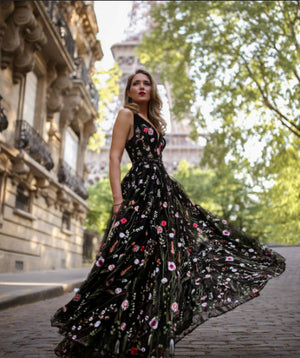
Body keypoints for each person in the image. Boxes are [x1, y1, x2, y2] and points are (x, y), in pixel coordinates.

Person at [51, 69, 286, 358]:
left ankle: (149, 339)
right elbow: (114, 156)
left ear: (152, 89)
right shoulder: (127, 115)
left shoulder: (154, 120)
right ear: (128, 90)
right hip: (139, 194)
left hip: (162, 194)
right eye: (135, 83)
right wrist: (117, 200)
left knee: (162, 266)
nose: (141, 87)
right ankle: (105, 335)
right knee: (127, 265)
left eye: (146, 83)